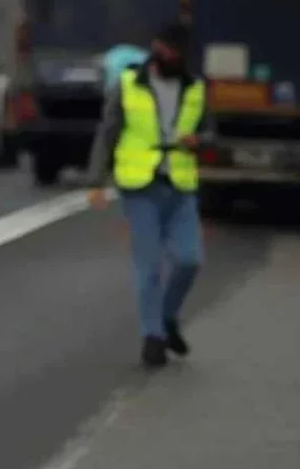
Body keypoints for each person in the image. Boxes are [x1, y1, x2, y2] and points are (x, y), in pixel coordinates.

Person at [87, 22, 212, 368]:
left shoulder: (195, 87)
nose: (175, 58)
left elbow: (209, 130)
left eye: (180, 53)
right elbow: (107, 133)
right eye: (170, 50)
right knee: (149, 265)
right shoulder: (128, 84)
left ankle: (167, 316)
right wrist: (96, 181)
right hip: (139, 185)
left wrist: (200, 141)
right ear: (157, 48)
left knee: (190, 260)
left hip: (181, 184)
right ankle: (152, 337)